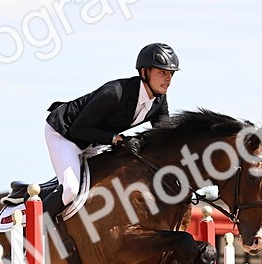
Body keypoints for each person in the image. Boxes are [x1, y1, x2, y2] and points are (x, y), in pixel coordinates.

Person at [43, 43, 179, 216]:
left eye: (171, 73)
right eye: (162, 72)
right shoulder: (114, 93)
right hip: (65, 133)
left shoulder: (159, 101)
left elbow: (165, 137)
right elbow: (79, 128)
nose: (168, 79)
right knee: (71, 189)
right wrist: (117, 139)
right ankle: (33, 230)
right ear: (144, 72)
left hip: (95, 139)